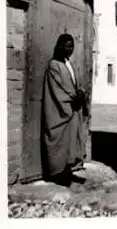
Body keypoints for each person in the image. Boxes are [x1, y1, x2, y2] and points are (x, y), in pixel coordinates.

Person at [41, 33, 88, 186]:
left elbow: (74, 84)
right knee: (59, 140)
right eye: (67, 46)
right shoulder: (54, 65)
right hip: (61, 109)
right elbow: (58, 89)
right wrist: (73, 98)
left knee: (70, 141)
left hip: (72, 108)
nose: (70, 49)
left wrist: (80, 93)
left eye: (72, 46)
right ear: (60, 46)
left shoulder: (68, 64)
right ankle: (57, 174)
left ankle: (67, 171)